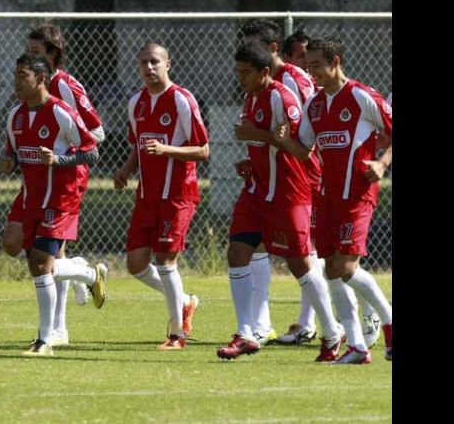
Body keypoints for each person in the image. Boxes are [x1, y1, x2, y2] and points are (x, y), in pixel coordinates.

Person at [217, 40, 345, 361]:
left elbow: (302, 149)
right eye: (237, 72)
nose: (240, 78)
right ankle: (246, 332)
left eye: (246, 72)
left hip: (288, 192)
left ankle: (332, 330)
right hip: (257, 190)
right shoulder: (251, 96)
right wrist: (251, 159)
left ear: (264, 71)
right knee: (237, 251)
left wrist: (257, 135)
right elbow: (264, 141)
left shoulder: (281, 97)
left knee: (299, 262)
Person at [275, 36, 393, 363]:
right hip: (326, 197)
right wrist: (283, 141)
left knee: (347, 266)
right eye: (307, 66)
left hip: (357, 194)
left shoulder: (361, 95)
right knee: (330, 269)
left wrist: (382, 163)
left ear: (335, 62)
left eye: (316, 66)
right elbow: (306, 150)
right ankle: (356, 345)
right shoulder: (314, 104)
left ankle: (388, 320)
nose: (311, 72)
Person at [1, 23, 105, 347]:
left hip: (66, 180)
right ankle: (80, 272)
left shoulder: (67, 90)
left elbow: (96, 136)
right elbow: (18, 144)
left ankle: (55, 331)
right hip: (35, 179)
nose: (29, 58)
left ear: (51, 55)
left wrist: (61, 155)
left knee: (45, 256)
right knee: (14, 244)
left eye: (35, 53)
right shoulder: (21, 104)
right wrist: (13, 160)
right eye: (27, 52)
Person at [113, 42, 208, 350]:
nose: (149, 68)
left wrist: (167, 150)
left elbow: (203, 150)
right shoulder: (136, 103)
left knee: (166, 260)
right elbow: (137, 145)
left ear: (169, 64)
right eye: (143, 63)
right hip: (147, 195)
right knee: (136, 264)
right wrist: (126, 170)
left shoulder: (182, 99)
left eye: (155, 62)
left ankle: (178, 334)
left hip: (178, 194)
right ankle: (184, 301)